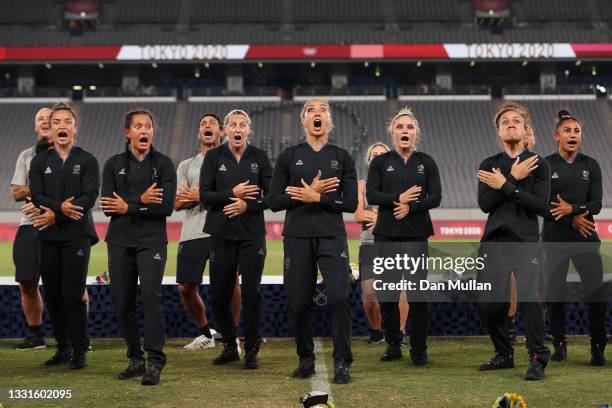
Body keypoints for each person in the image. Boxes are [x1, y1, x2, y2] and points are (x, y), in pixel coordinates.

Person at [269, 98, 357, 384]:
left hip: (332, 236)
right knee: (298, 302)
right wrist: (301, 194)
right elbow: (273, 201)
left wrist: (318, 197)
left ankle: (342, 362)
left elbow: (352, 202)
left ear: (329, 121)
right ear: (303, 120)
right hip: (297, 236)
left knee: (340, 297)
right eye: (311, 110)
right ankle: (305, 357)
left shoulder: (342, 157)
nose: (317, 114)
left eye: (323, 111)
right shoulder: (288, 156)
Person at [100, 109, 176, 385]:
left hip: (152, 241)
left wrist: (128, 206)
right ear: (127, 132)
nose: (145, 131)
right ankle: (135, 359)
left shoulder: (165, 164)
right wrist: (141, 201)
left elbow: (166, 207)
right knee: (122, 302)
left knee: (151, 297)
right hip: (119, 240)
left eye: (149, 126)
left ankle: (155, 361)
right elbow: (109, 205)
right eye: (139, 126)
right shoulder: (112, 164)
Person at [476, 101, 551, 380]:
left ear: (525, 128)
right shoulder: (489, 164)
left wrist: (506, 184)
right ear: (498, 131)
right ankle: (504, 353)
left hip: (526, 241)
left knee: (531, 300)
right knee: (488, 303)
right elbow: (485, 204)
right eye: (505, 121)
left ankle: (537, 358)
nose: (510, 124)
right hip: (494, 242)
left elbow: (541, 206)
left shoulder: (539, 164)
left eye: (516, 121)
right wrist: (512, 177)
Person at [366, 107, 441, 366]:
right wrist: (397, 199)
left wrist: (412, 207)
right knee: (387, 293)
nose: (404, 131)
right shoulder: (380, 162)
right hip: (386, 235)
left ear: (416, 133)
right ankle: (393, 343)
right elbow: (371, 195)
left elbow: (436, 197)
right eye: (400, 127)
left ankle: (419, 349)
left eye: (409, 127)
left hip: (416, 235)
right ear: (392, 133)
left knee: (416, 294)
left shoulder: (427, 162)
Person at [28, 103, 99, 369]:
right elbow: (36, 196)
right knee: (53, 295)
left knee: (73, 293)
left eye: (67, 121)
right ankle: (63, 348)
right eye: (57, 121)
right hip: (48, 236)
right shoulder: (39, 162)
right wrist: (61, 209)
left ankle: (80, 349)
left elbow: (89, 197)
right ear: (51, 127)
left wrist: (56, 213)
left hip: (77, 235)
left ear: (74, 127)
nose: (62, 126)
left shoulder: (88, 160)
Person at [200, 109, 272, 369]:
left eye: (242, 124)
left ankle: (252, 347)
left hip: (252, 235)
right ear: (225, 131)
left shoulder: (260, 157)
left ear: (248, 130)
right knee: (219, 294)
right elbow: (205, 196)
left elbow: (272, 198)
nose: (238, 128)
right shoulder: (213, 157)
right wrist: (232, 193)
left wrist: (246, 205)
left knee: (252, 292)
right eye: (233, 124)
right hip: (221, 234)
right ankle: (230, 344)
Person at [543, 109, 607, 366]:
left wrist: (575, 210)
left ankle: (597, 347)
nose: (572, 135)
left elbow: (597, 204)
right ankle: (559, 343)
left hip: (586, 238)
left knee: (596, 294)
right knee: (555, 294)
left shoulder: (591, 165)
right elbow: (541, 203)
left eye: (576, 131)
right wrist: (571, 218)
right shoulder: (545, 165)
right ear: (556, 135)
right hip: (554, 239)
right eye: (567, 131)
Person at [175, 113, 241, 351]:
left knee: (231, 282)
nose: (207, 126)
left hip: (222, 229)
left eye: (212, 123)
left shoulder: (232, 160)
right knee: (185, 286)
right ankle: (205, 333)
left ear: (221, 132)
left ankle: (231, 337)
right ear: (198, 133)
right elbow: (178, 202)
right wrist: (208, 194)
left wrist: (201, 194)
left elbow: (237, 193)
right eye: (203, 123)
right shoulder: (185, 165)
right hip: (192, 231)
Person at [355, 142, 409, 345]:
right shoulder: (360, 185)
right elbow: (359, 214)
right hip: (369, 242)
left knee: (399, 287)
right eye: (374, 155)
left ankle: (399, 333)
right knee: (369, 290)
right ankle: (376, 332)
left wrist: (379, 217)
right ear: (369, 160)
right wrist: (386, 216)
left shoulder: (401, 184)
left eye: (382, 154)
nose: (377, 157)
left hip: (395, 240)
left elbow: (404, 213)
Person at [10, 107, 52, 350]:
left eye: (49, 118)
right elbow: (16, 192)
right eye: (40, 119)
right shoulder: (26, 155)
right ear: (35, 126)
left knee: (70, 283)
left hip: (60, 224)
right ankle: (36, 335)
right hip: (29, 225)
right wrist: (42, 188)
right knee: (27, 282)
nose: (44, 121)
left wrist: (35, 192)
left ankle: (75, 336)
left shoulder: (69, 154)